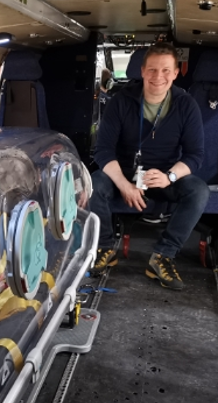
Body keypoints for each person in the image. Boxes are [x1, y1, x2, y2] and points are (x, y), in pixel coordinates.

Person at [90, 42, 210, 291]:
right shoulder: (120, 102)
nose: (159, 77)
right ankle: (104, 248)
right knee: (95, 182)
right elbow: (103, 151)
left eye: (166, 70)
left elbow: (195, 155)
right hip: (122, 173)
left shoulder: (186, 105)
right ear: (142, 71)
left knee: (198, 190)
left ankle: (163, 256)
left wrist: (170, 176)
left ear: (176, 73)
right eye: (153, 70)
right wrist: (124, 185)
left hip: (163, 176)